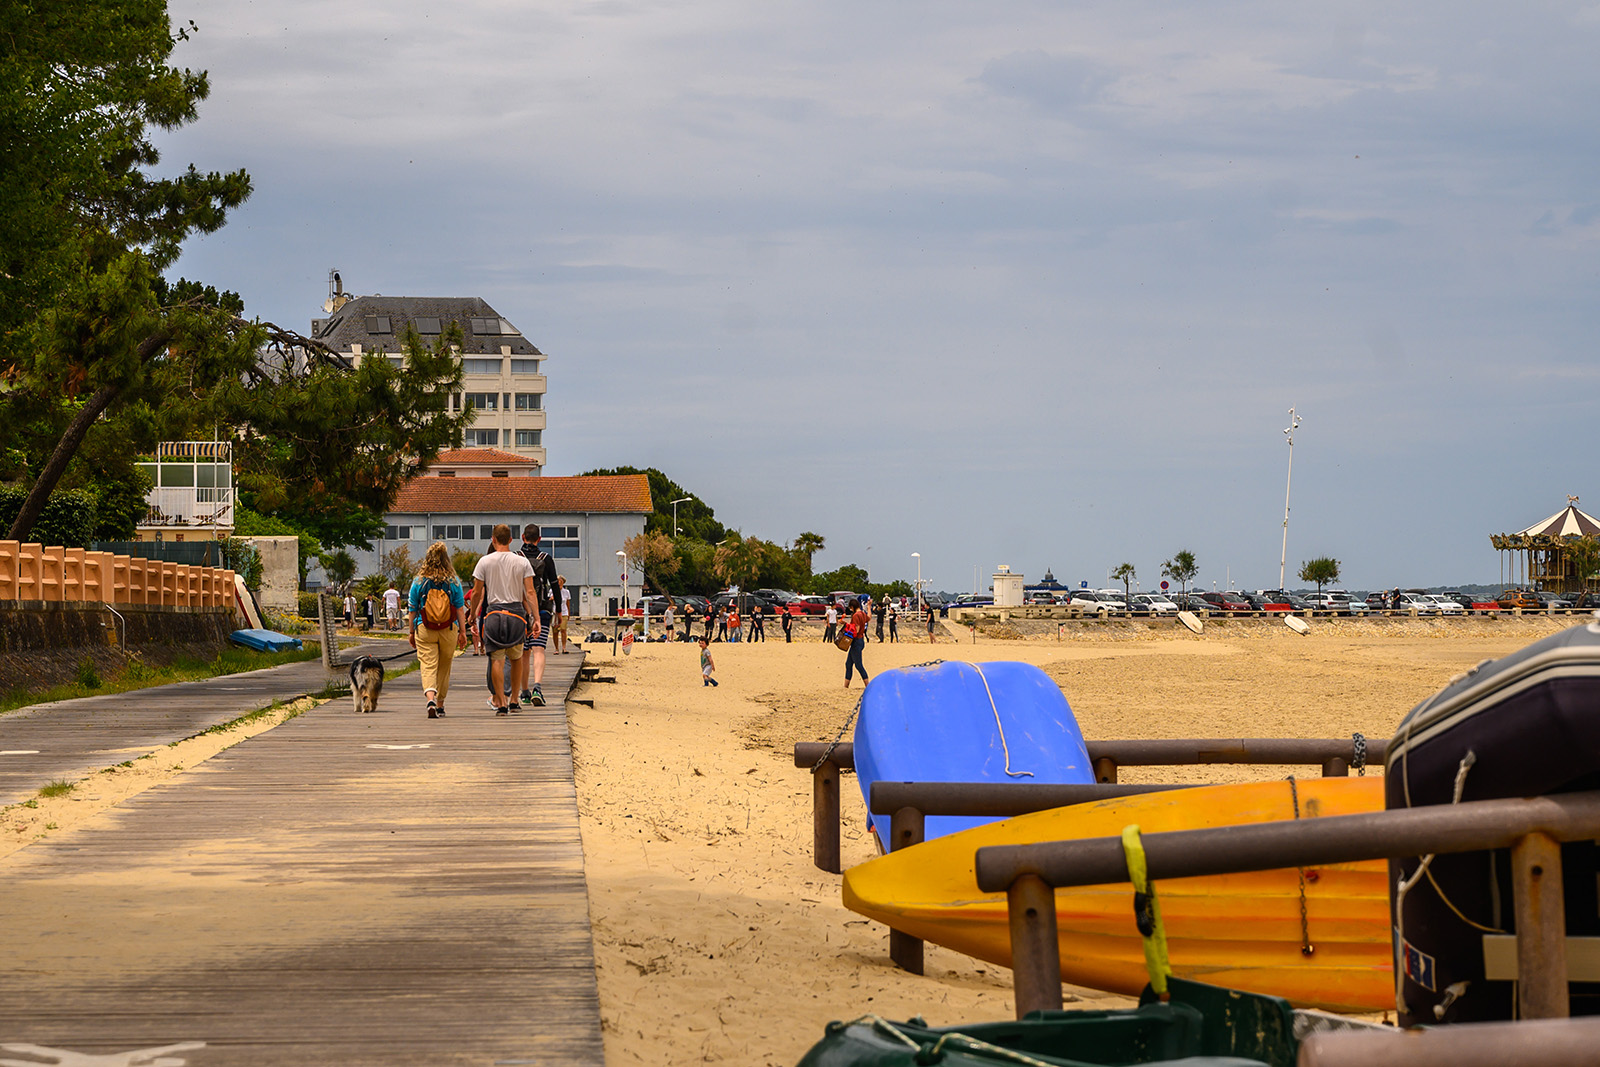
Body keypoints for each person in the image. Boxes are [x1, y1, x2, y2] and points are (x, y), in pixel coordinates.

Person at [467, 525, 540, 715]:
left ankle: (501, 701)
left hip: (493, 614)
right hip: (516, 613)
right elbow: (530, 592)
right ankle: (515, 699)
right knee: (516, 659)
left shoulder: (484, 562)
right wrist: (536, 618)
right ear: (510, 540)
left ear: (493, 539)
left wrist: (472, 614)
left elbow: (476, 592)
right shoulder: (522, 562)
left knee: (497, 660)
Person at [407, 541, 467, 718]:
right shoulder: (453, 582)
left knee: (428, 664)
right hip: (448, 629)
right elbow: (459, 609)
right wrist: (463, 632)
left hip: (424, 627)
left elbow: (412, 609)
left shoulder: (419, 582)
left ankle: (430, 699)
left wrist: (411, 632)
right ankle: (440, 704)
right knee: (444, 665)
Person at [514, 526, 561, 708]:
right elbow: (555, 584)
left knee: (523, 652)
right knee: (538, 650)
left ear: (523, 537)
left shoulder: (515, 557)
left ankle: (524, 692)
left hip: (520, 611)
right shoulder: (546, 559)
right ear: (539, 539)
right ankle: (537, 688)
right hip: (541, 610)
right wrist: (558, 611)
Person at [844, 594, 871, 688]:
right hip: (861, 640)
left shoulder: (856, 615)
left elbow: (856, 629)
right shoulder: (863, 614)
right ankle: (845, 686)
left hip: (856, 641)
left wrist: (846, 626)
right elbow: (869, 618)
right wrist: (869, 607)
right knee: (848, 664)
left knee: (858, 665)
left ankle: (868, 685)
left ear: (852, 607)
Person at [554, 575, 571, 654]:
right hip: (554, 613)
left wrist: (569, 614)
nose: (559, 583)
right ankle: (556, 648)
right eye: (558, 582)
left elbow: (568, 603)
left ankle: (564, 647)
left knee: (563, 630)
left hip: (564, 612)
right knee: (555, 631)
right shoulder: (552, 590)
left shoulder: (566, 592)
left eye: (561, 582)